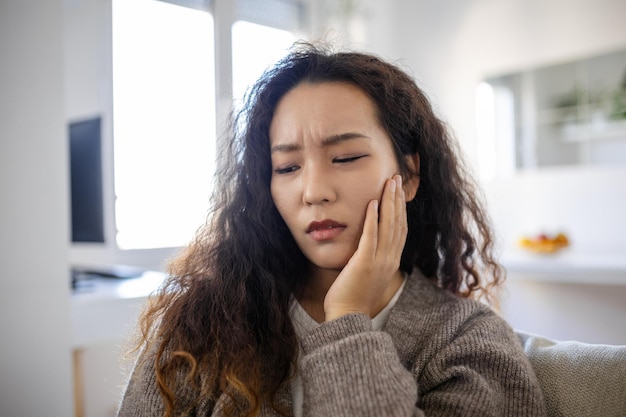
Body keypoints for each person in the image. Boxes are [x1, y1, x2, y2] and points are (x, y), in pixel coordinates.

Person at [117, 43, 547, 417]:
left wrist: (347, 318)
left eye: (345, 158)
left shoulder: (470, 342)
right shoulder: (202, 322)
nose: (314, 191)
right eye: (286, 167)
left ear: (410, 174)